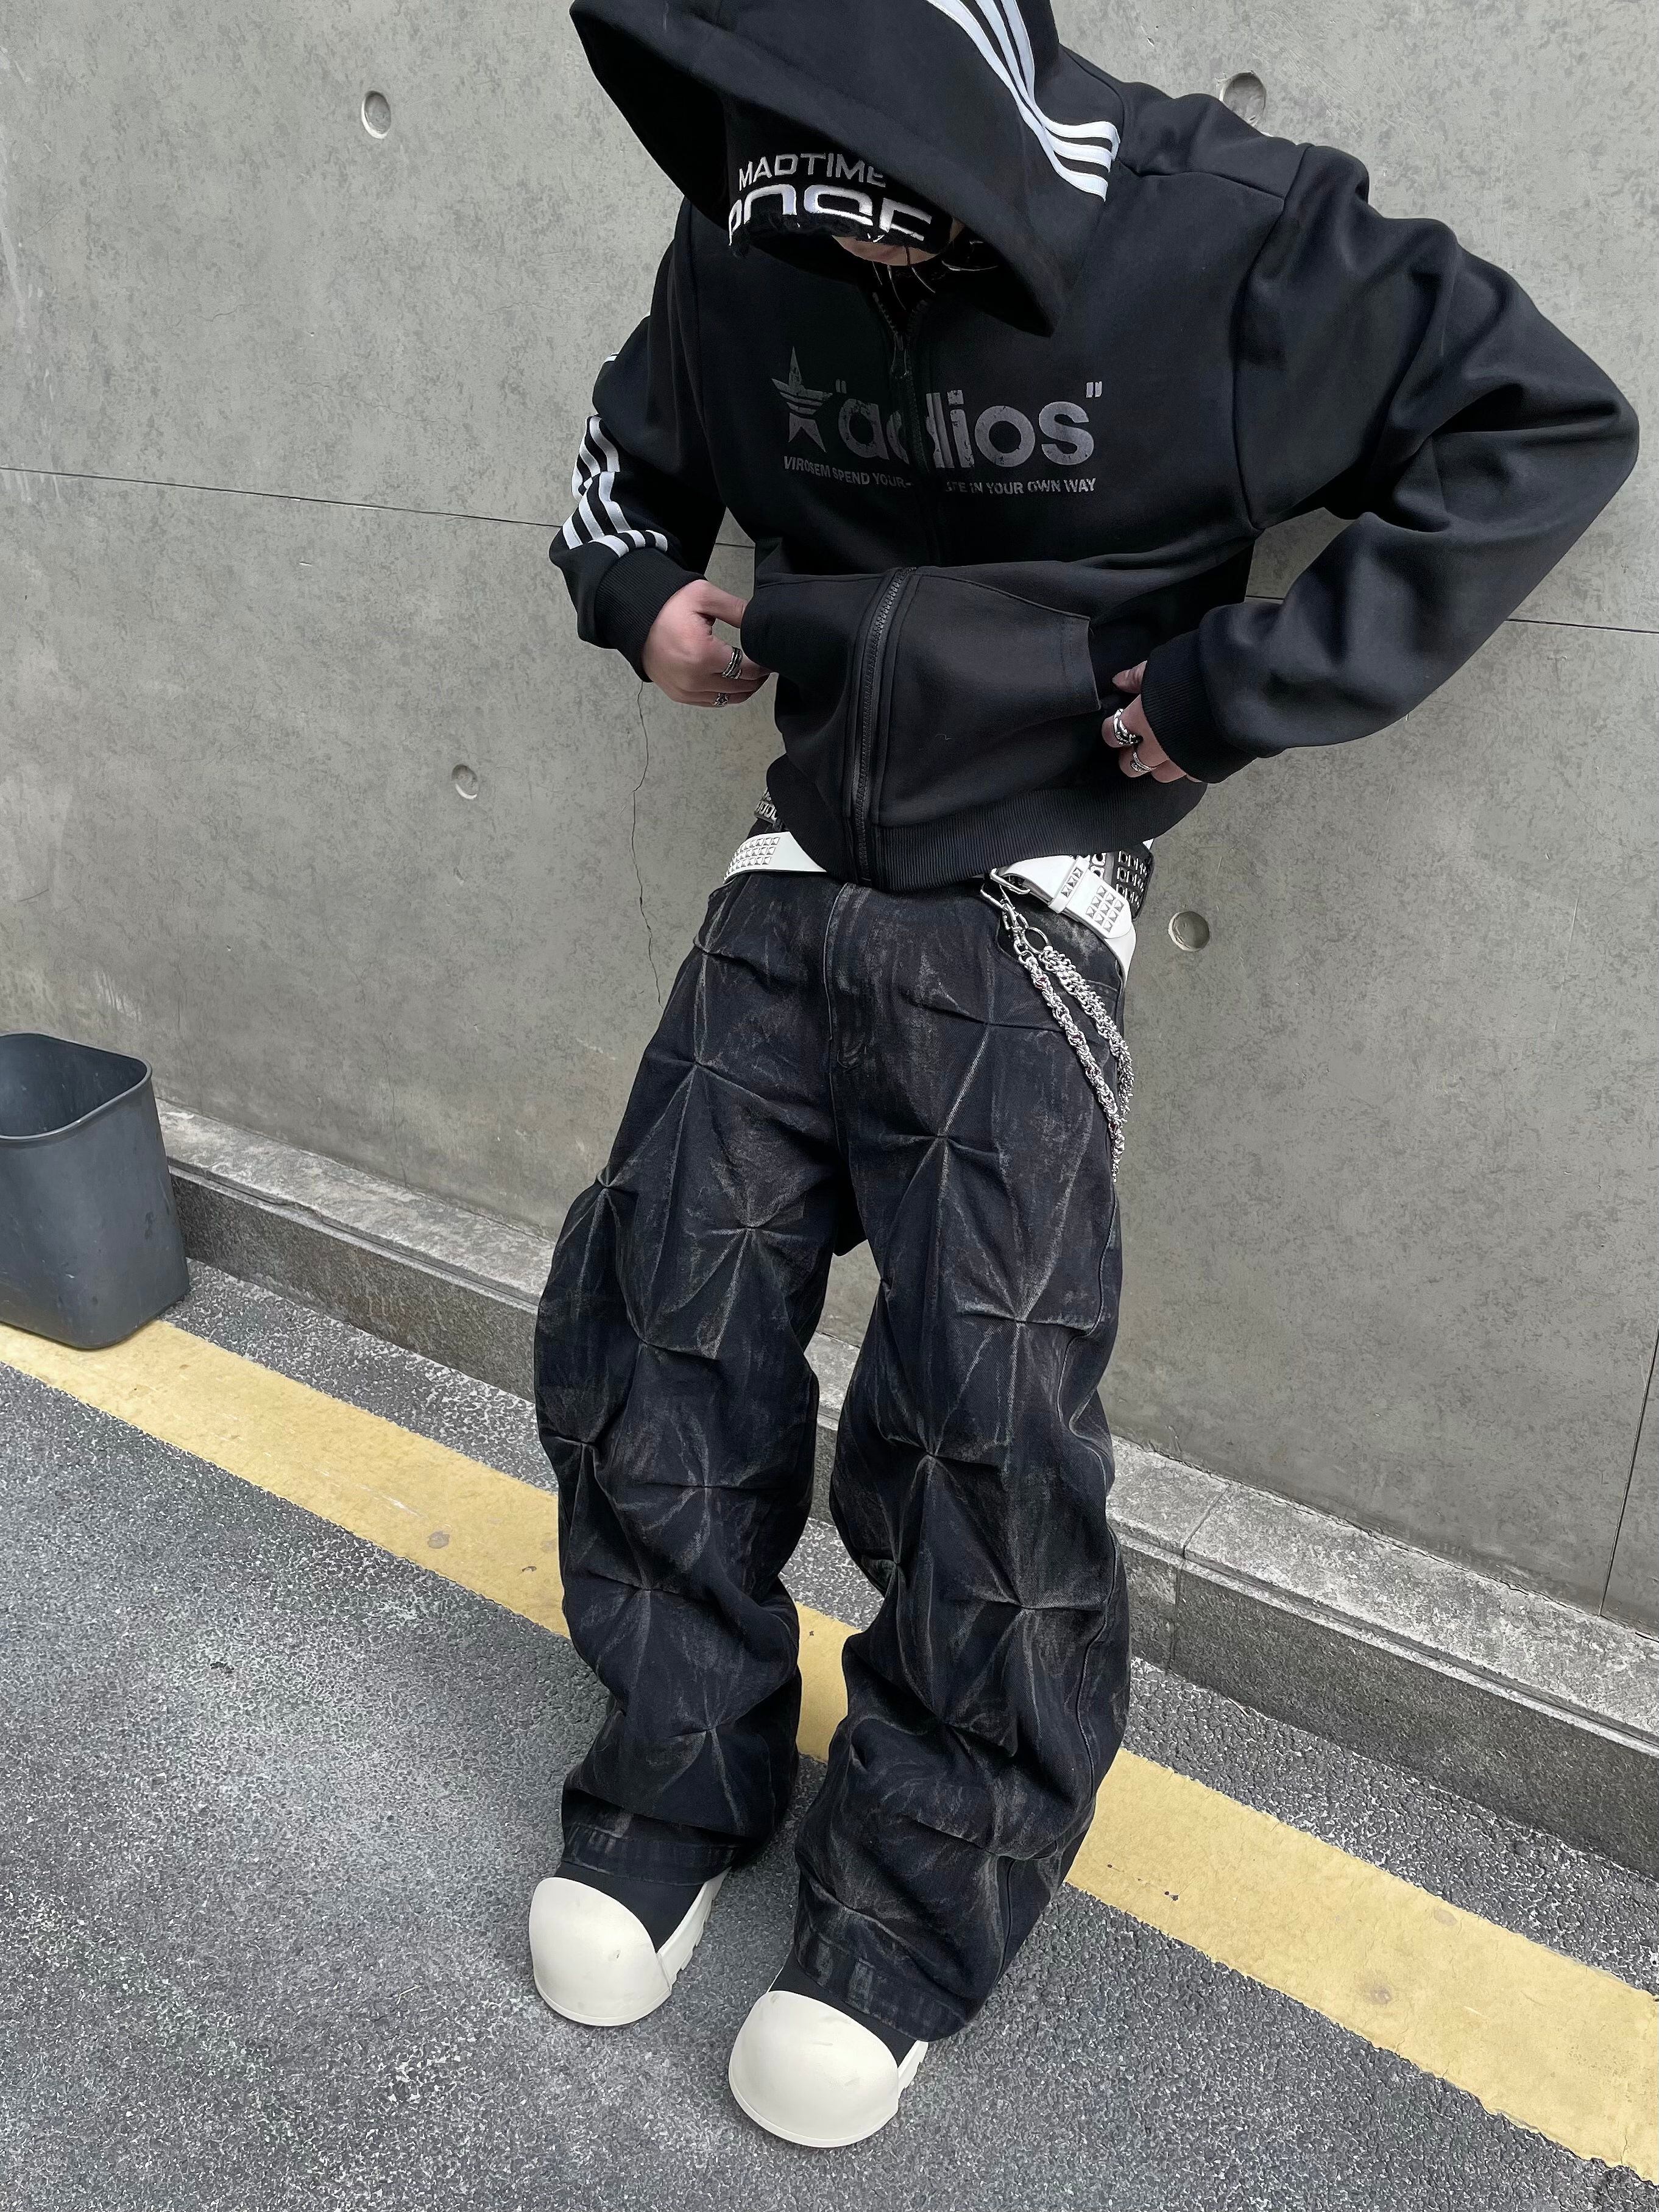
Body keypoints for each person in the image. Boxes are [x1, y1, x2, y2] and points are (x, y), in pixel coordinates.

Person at [528, 0, 1638, 2150]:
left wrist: (1233, 688)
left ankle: (907, 1913)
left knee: (982, 1419)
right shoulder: (745, 215)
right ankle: (671, 1786)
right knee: (657, 1330)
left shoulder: (1223, 235)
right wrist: (638, 587)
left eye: (887, 204)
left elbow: (1539, 421)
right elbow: (625, 454)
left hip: (1027, 905)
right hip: (795, 863)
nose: (846, 239)